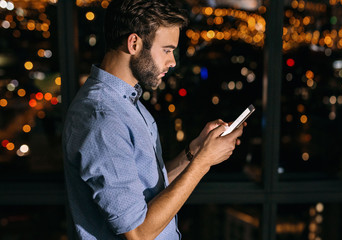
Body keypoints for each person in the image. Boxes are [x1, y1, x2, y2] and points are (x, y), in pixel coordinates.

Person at [62, 0, 244, 239]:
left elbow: (147, 190)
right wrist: (204, 163)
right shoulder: (102, 119)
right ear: (134, 43)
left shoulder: (126, 103)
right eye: (167, 50)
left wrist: (195, 152)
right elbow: (138, 233)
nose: (172, 62)